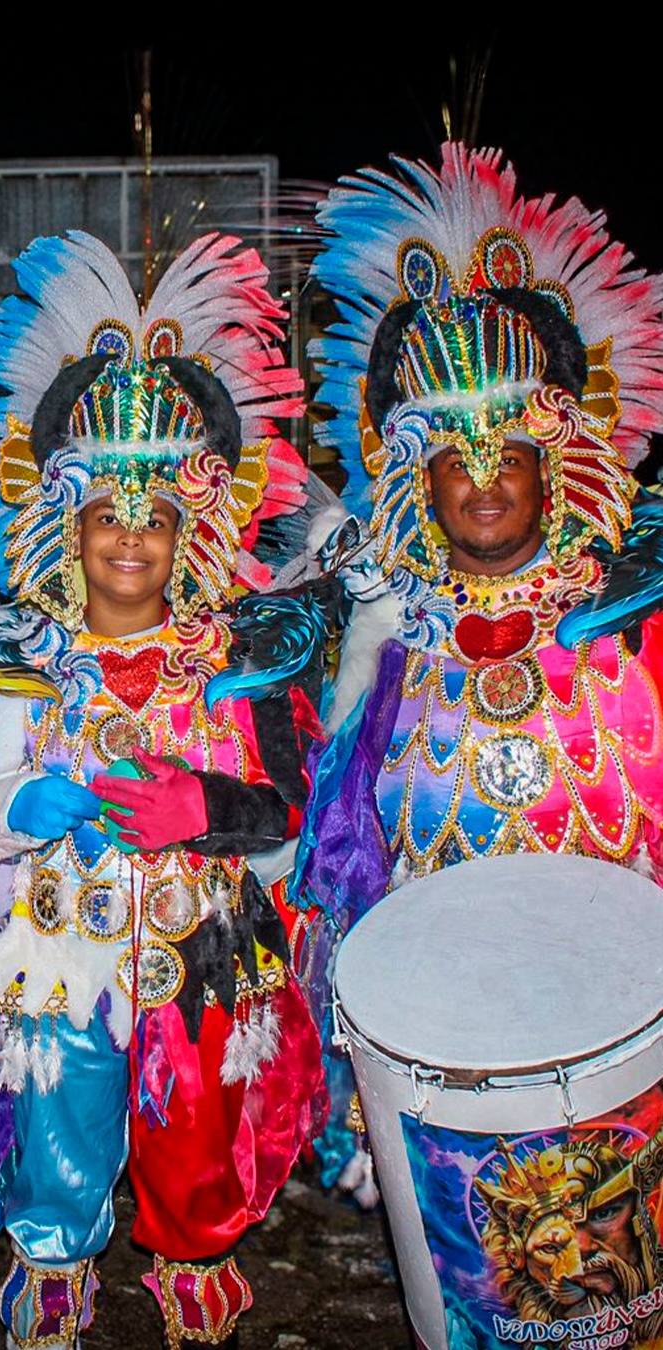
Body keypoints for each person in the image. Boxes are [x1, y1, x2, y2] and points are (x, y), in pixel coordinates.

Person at [0, 230, 327, 1349]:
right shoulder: (14, 660)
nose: (132, 541)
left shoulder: (243, 660)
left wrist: (208, 811)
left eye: (154, 517)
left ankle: (195, 1280)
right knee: (57, 1140)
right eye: (109, 517)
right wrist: (18, 809)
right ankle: (53, 1275)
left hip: (204, 958)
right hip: (57, 960)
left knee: (198, 1157)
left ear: (190, 526)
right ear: (70, 526)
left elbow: (287, 808)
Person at [296, 143, 663, 1328]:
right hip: (459, 1105)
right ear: (419, 477)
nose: (488, 478)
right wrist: (360, 1090)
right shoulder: (387, 664)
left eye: (513, 446)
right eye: (457, 454)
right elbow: (343, 878)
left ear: (559, 459)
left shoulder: (636, 632)